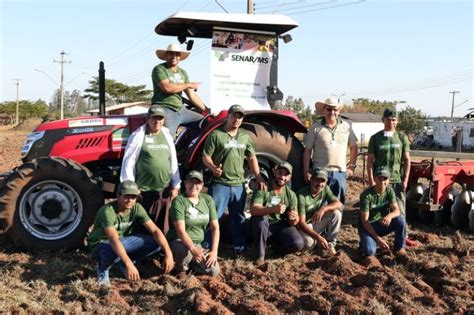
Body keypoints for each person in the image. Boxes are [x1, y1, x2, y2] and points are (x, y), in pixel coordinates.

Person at [202, 104, 265, 257]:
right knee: (214, 217)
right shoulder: (216, 135)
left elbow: (251, 157)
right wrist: (212, 168)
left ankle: (240, 249)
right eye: (234, 116)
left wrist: (258, 176)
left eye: (240, 116)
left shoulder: (244, 137)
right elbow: (206, 156)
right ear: (228, 116)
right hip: (220, 185)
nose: (237, 119)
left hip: (238, 185)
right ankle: (206, 249)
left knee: (238, 218)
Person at [88, 180, 174, 286]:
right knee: (109, 246)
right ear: (118, 195)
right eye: (126, 196)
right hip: (101, 245)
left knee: (156, 242)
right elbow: (113, 239)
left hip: (122, 242)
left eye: (133, 197)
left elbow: (155, 230)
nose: (130, 200)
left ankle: (121, 262)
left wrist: (168, 253)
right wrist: (129, 264)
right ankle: (103, 270)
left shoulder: (136, 207)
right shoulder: (108, 211)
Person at [120, 105, 181, 225]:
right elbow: (128, 162)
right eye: (154, 118)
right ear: (147, 119)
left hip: (163, 191)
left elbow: (173, 161)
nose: (157, 121)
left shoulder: (167, 135)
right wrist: (130, 189)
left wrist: (176, 185)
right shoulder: (138, 136)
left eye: (160, 118)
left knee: (162, 227)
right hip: (143, 191)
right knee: (143, 226)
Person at [367, 109, 417, 247]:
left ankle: (402, 239)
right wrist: (371, 180)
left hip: (396, 180)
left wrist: (405, 180)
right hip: (380, 181)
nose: (391, 122)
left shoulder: (402, 137)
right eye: (388, 119)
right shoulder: (375, 138)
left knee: (400, 211)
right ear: (383, 120)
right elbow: (370, 161)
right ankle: (374, 237)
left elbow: (407, 160)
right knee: (376, 210)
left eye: (394, 120)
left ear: (397, 121)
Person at [303, 97, 358, 207]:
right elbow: (307, 150)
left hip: (340, 173)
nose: (332, 112)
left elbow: (354, 147)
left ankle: (336, 224)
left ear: (338, 111)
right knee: (320, 205)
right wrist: (306, 171)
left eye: (335, 110)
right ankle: (321, 224)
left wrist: (351, 166)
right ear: (324, 111)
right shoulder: (315, 128)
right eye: (329, 109)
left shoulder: (346, 127)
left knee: (338, 204)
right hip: (320, 172)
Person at [166, 170, 220, 276]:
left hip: (198, 244)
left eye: (197, 183)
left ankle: (192, 265)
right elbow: (180, 231)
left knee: (213, 271)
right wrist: (193, 249)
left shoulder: (208, 200)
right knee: (182, 250)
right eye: (191, 182)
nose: (194, 185)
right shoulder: (179, 201)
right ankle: (180, 269)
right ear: (185, 183)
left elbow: (215, 227)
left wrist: (214, 251)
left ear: (202, 185)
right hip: (179, 241)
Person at [250, 162, 304, 265]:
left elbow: (293, 222)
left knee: (298, 243)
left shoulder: (291, 195)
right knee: (261, 221)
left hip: (279, 226)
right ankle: (260, 256)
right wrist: (273, 209)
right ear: (275, 172)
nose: (282, 177)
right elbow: (254, 210)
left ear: (290, 177)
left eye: (286, 175)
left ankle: (274, 251)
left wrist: (294, 219)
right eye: (280, 173)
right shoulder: (264, 187)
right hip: (262, 226)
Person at [152, 43, 208, 137]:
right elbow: (167, 88)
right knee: (167, 137)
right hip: (165, 108)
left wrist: (206, 110)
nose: (174, 57)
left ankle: (188, 148)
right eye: (171, 54)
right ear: (166, 55)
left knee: (204, 123)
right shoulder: (160, 69)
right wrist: (188, 84)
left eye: (177, 54)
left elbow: (192, 95)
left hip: (181, 109)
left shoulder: (183, 72)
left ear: (180, 57)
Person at [359, 167, 407, 266]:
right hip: (369, 227)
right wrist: (378, 239)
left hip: (382, 223)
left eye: (385, 179)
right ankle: (366, 243)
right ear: (375, 179)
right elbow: (365, 221)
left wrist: (389, 216)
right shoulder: (366, 195)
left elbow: (397, 210)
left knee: (400, 220)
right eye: (379, 179)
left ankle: (399, 248)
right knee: (369, 251)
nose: (382, 182)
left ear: (389, 181)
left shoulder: (389, 191)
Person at [297, 168, 342, 255]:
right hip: (304, 227)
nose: (320, 184)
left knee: (336, 213)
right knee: (309, 244)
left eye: (323, 181)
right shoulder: (301, 195)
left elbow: (338, 204)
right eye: (317, 180)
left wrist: (323, 208)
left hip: (315, 222)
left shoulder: (325, 189)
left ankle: (330, 244)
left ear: (326, 182)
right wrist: (318, 237)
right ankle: (319, 242)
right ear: (311, 180)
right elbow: (301, 223)